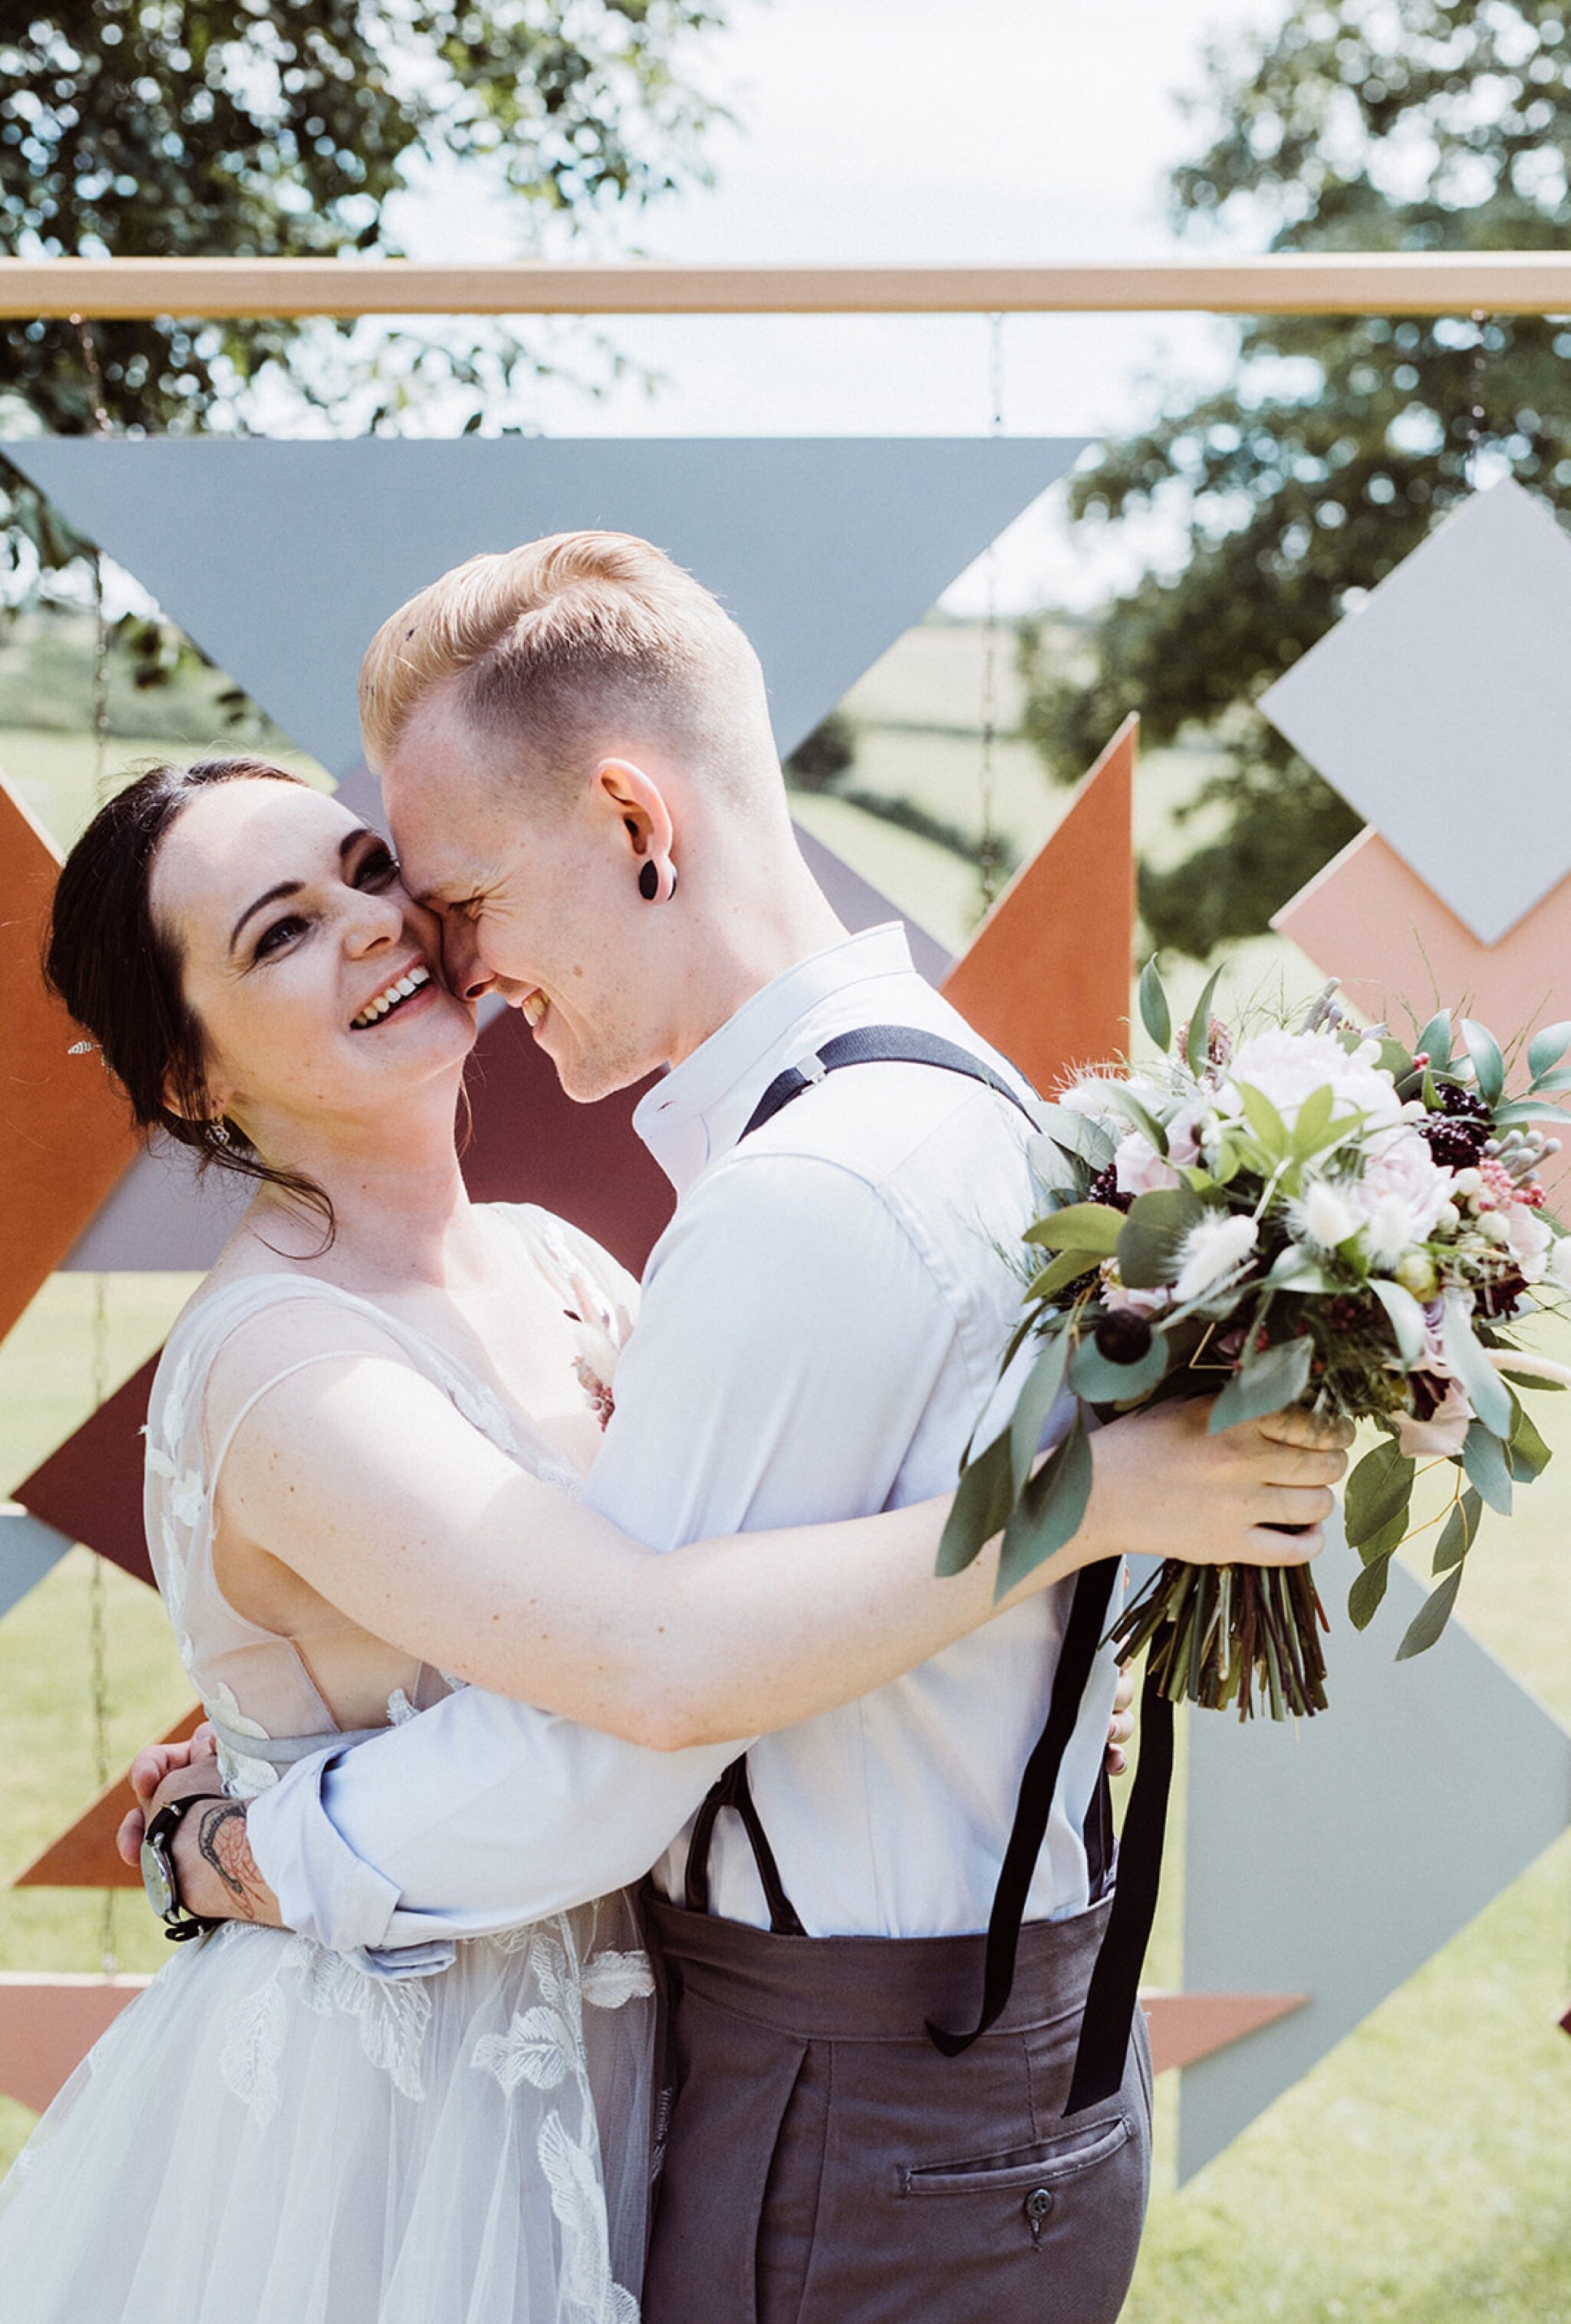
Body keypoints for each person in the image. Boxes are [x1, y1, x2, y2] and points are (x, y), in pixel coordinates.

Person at [94, 532, 1339, 2324]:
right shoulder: (965, 1105)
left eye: (434, 885)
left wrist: (252, 1844)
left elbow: (630, 1717)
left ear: (633, 820)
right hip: (823, 2062)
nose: (432, 944)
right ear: (198, 1077)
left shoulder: (785, 1204)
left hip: (834, 2087)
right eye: (295, 925)